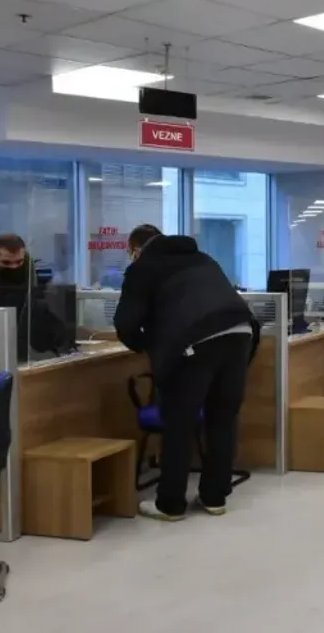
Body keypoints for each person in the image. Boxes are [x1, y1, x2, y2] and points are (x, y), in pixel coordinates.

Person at [114, 224, 258, 522]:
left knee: (179, 422)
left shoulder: (143, 267)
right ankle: (214, 497)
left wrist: (150, 346)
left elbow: (125, 325)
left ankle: (170, 503)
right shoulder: (202, 258)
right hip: (241, 333)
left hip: (195, 342)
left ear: (135, 250)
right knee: (223, 419)